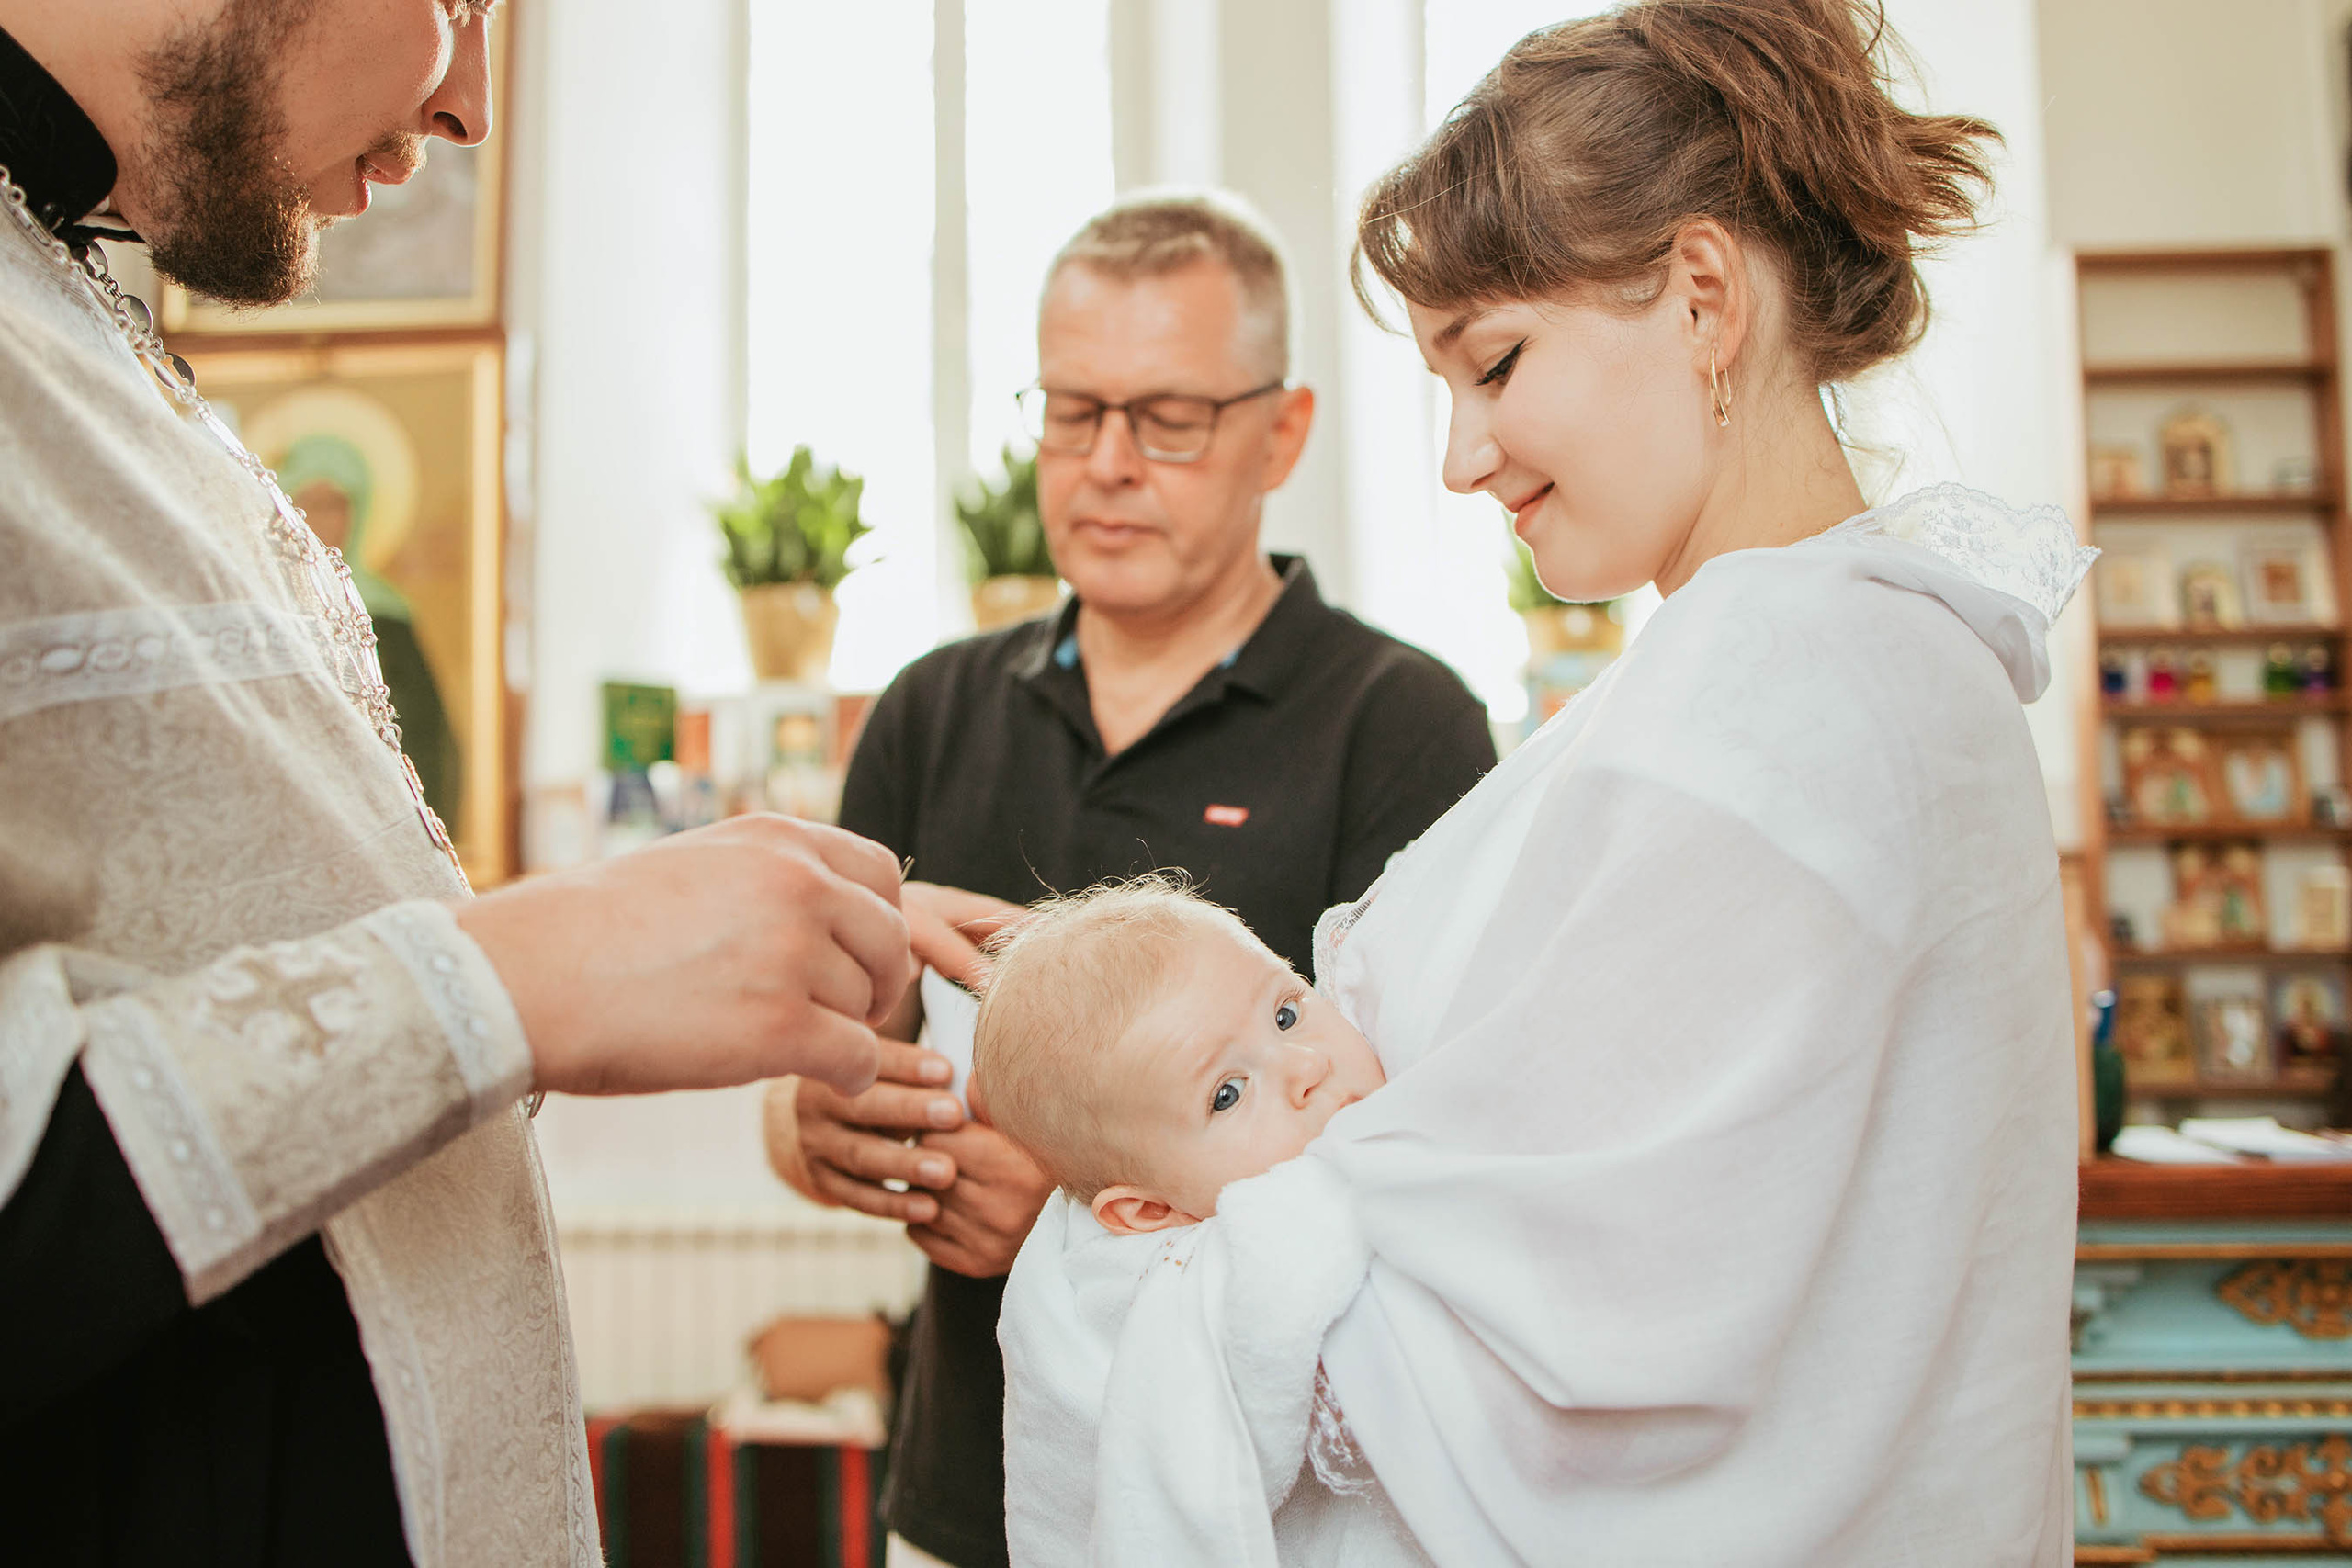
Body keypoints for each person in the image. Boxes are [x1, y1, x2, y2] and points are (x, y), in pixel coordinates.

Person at [1012, 1, 2088, 1562]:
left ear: (1704, 296)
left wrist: (1153, 1253)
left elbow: (1582, 1310)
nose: (1464, 455)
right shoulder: (1836, 654)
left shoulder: (1781, 687)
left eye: (1496, 364)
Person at [0, 5, 927, 1564]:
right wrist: (524, 975)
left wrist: (634, 954)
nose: (475, 108)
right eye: (468, 5)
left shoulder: (63, 277)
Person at [762, 193, 1497, 1568]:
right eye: (1071, 409)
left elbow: (1419, 1151)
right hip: (966, 1488)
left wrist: (1057, 1187)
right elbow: (818, 1081)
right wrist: (815, 1134)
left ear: (1282, 430)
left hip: (1278, 1512)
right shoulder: (930, 710)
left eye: (1167, 419)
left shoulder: (1403, 725)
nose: (1105, 464)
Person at [971, 876, 1385, 1237]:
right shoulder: (1201, 1298)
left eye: (1285, 1016)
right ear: (1154, 1209)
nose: (1309, 1065)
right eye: (1228, 1094)